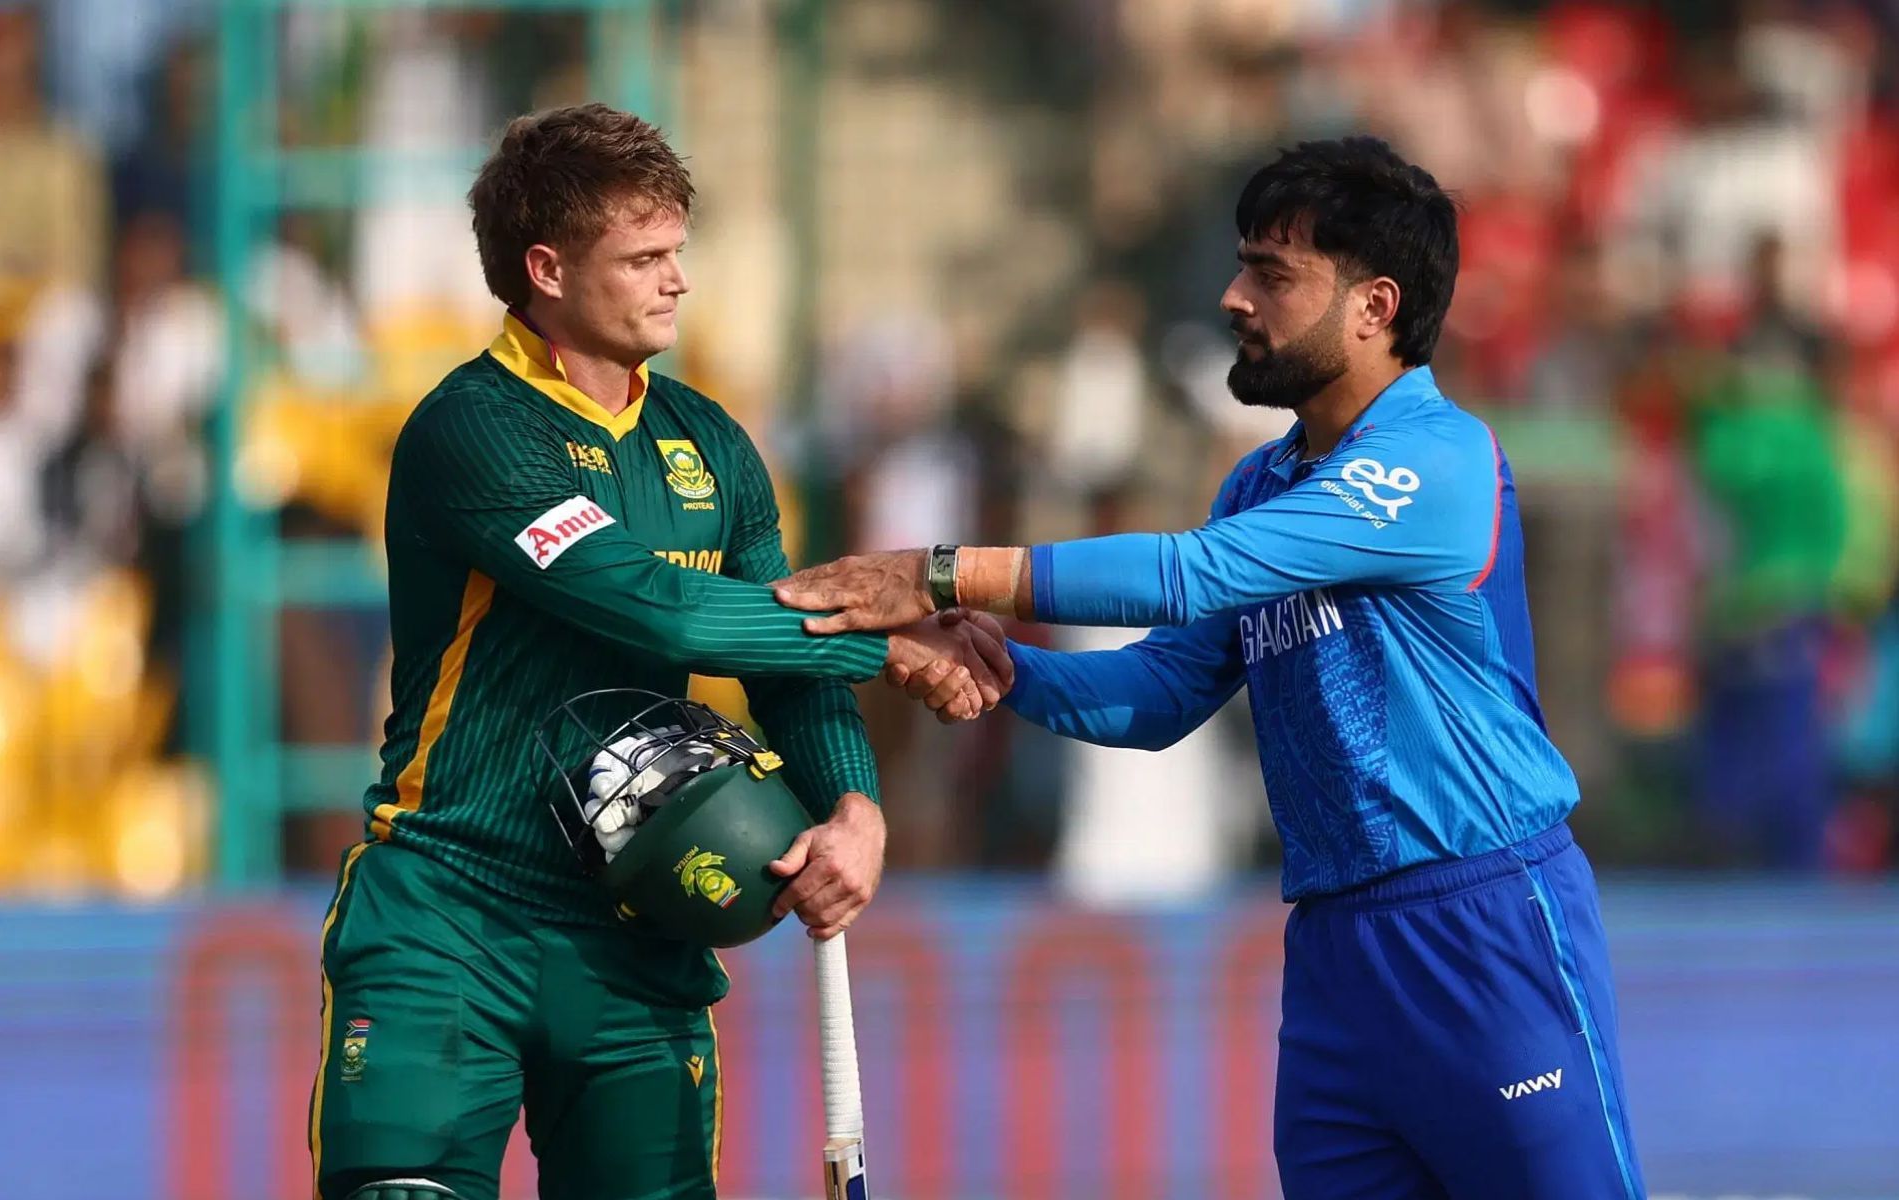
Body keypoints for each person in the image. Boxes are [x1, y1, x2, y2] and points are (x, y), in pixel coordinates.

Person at [775, 137, 1645, 1199]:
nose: (1235, 298)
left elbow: (1192, 575)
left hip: (1481, 926)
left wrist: (942, 575)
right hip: (1335, 959)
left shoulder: (1437, 459)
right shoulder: (1261, 480)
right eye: (1242, 266)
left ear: (1374, 307)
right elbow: (1157, 695)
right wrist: (1001, 669)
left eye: (1273, 275)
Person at [308, 103, 1003, 1200]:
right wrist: (885, 643)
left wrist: (855, 809)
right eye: (643, 258)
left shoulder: (711, 445)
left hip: (639, 930)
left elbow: (781, 661)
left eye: (677, 251)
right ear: (545, 268)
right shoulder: (471, 428)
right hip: (449, 916)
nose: (677, 280)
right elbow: (660, 614)